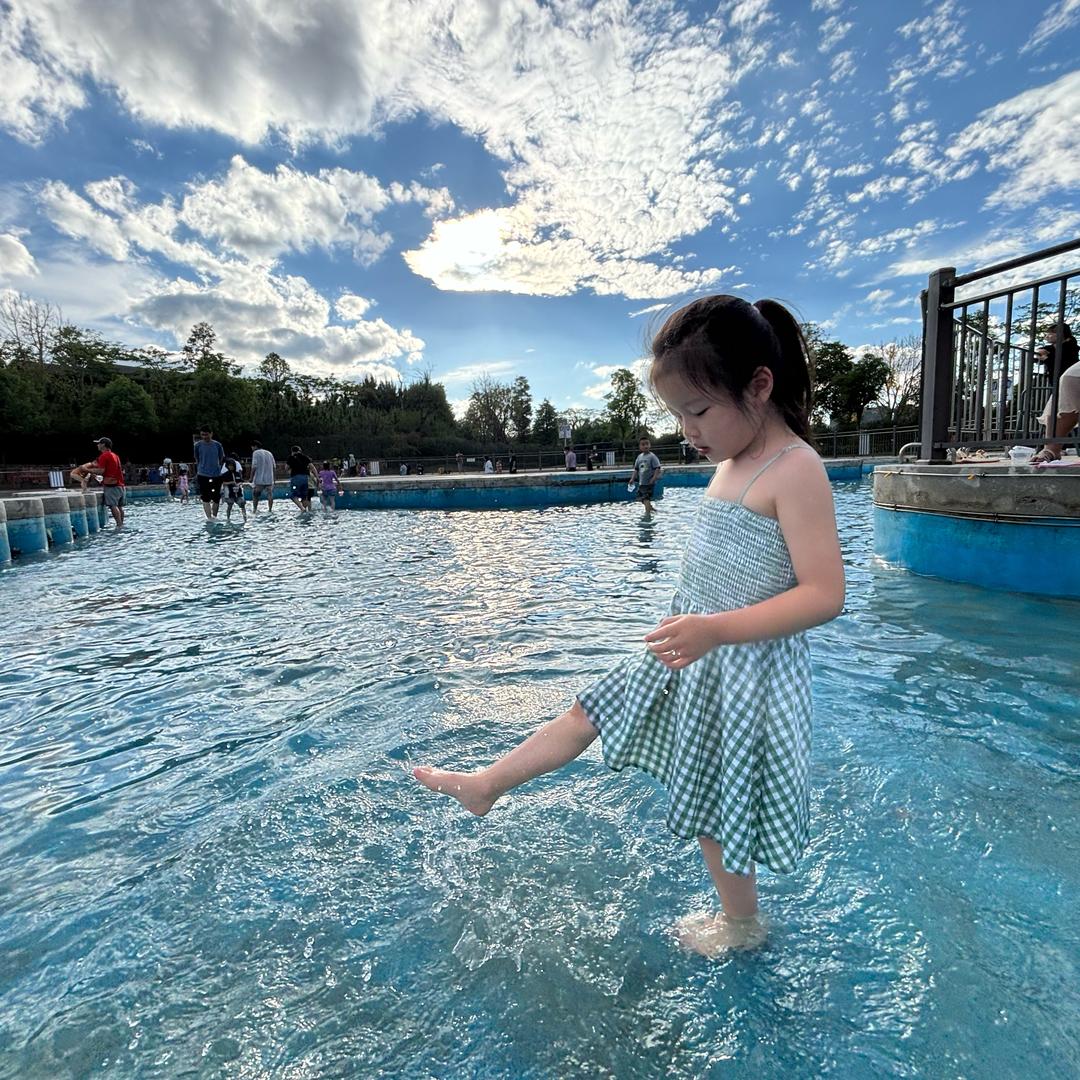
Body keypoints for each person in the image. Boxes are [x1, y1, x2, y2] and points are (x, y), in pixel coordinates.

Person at [414, 295, 845, 956]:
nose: (685, 430)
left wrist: (718, 631)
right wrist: (698, 630)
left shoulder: (797, 468)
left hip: (741, 668)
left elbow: (824, 594)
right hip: (688, 650)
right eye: (676, 413)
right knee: (584, 714)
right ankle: (485, 786)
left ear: (759, 385)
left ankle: (742, 923)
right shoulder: (731, 464)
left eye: (697, 411)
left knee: (718, 807)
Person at [1033, 323, 1080, 464]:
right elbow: (1041, 352)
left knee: (1069, 379)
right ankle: (1052, 448)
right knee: (1056, 404)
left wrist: (1047, 357)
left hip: (1065, 377)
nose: (1048, 336)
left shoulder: (1071, 345)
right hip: (1059, 382)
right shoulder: (1052, 348)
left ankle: (1052, 447)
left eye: (1051, 333)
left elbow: (1063, 359)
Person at [71, 436, 126, 529]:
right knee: (120, 506)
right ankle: (121, 524)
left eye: (99, 443)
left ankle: (119, 525)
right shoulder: (115, 455)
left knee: (113, 506)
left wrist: (87, 470)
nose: (97, 445)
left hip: (112, 485)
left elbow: (101, 471)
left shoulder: (104, 456)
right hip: (120, 484)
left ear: (103, 445)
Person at [194, 427, 225, 520]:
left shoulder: (217, 445)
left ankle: (214, 516)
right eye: (202, 435)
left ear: (211, 434)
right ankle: (209, 518)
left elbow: (221, 457)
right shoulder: (197, 445)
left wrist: (216, 467)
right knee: (205, 497)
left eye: (206, 434)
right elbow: (197, 458)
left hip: (216, 474)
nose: (204, 437)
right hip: (203, 474)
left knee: (216, 497)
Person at [633, 437, 663, 513]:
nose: (645, 446)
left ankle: (647, 513)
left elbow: (657, 468)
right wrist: (632, 478)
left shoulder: (652, 456)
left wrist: (654, 478)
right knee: (641, 498)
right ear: (640, 446)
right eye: (643, 444)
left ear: (650, 445)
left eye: (647, 444)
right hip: (642, 482)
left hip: (649, 482)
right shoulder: (639, 457)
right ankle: (650, 508)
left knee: (645, 498)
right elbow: (636, 469)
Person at [250, 440, 277, 513]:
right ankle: (270, 509)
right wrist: (274, 478)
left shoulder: (255, 453)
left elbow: (254, 466)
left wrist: (251, 477)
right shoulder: (269, 453)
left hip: (259, 478)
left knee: (255, 494)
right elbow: (274, 466)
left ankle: (255, 509)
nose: (252, 448)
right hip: (269, 478)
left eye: (252, 447)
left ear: (255, 446)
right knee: (270, 494)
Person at [222, 453, 247, 523]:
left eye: (232, 466)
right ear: (227, 466)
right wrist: (231, 482)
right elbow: (223, 483)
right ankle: (228, 518)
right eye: (229, 466)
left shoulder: (237, 473)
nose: (231, 467)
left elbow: (241, 481)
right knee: (230, 505)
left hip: (238, 493)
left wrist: (238, 484)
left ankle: (245, 518)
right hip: (230, 494)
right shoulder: (225, 475)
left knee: (242, 504)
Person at [286, 445, 312, 511]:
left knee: (293, 495)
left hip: (296, 478)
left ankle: (302, 508)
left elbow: (286, 468)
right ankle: (305, 510)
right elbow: (312, 467)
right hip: (305, 478)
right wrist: (317, 478)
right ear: (299, 451)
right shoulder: (305, 457)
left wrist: (290, 471)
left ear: (292, 451)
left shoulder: (291, 457)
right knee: (304, 497)